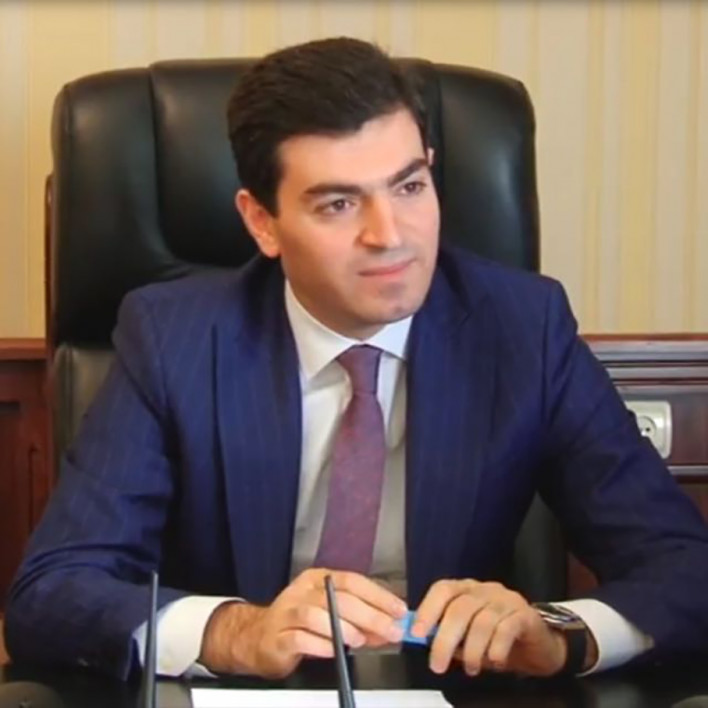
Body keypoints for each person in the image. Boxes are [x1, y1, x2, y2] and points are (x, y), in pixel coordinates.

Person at [5, 37, 708, 683]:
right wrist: (234, 631)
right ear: (261, 222)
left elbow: (685, 571)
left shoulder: (524, 328)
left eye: (409, 186)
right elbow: (52, 595)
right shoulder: (174, 338)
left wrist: (558, 636)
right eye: (339, 204)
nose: (389, 235)